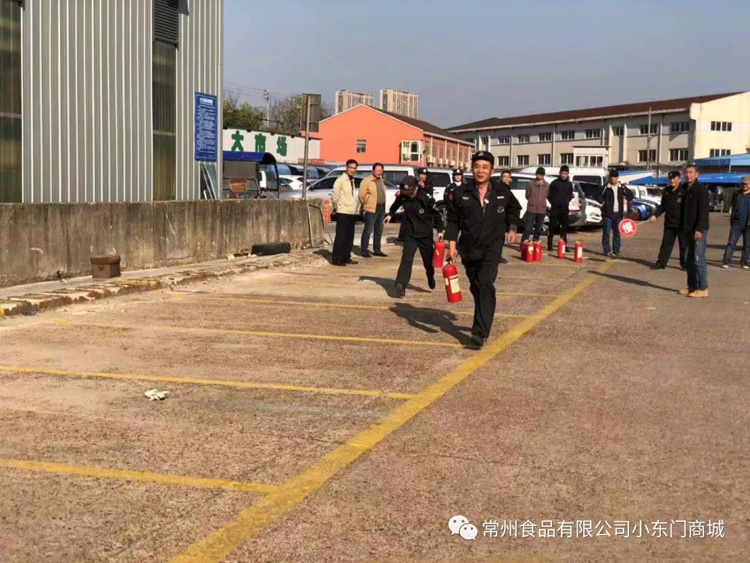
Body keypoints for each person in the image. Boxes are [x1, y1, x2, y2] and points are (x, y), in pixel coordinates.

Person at [445, 151, 522, 349]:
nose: (480, 171)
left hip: (492, 247)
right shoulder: (461, 193)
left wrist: (512, 227)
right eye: (477, 167)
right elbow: (453, 220)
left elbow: (514, 209)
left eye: (485, 167)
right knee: (476, 286)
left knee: (485, 283)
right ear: (472, 169)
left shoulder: (502, 191)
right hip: (469, 247)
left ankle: (480, 333)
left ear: (491, 170)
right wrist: (452, 246)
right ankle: (481, 320)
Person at [384, 176, 445, 297]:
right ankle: (401, 284)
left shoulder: (425, 198)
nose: (409, 194)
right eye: (407, 192)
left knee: (428, 261)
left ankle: (430, 277)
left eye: (411, 192)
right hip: (410, 233)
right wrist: (390, 214)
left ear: (416, 188)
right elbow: (396, 204)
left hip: (425, 234)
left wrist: (440, 230)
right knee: (406, 259)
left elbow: (437, 215)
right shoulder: (403, 196)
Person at [678, 164, 710, 298]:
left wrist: (699, 229)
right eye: (686, 172)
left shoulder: (701, 190)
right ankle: (692, 286)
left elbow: (703, 212)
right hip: (686, 229)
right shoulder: (684, 189)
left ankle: (703, 288)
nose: (688, 175)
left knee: (698, 258)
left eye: (691, 172)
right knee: (687, 259)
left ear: (696, 174)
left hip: (698, 229)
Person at [650, 170, 685, 270]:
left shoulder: (684, 191)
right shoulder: (666, 191)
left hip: (682, 224)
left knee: (683, 245)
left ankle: (685, 264)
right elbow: (663, 206)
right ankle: (661, 263)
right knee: (666, 244)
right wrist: (655, 215)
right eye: (670, 179)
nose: (672, 181)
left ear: (679, 179)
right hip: (669, 223)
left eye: (674, 178)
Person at [331, 159, 360, 267]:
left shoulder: (351, 180)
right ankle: (337, 258)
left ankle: (346, 256)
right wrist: (336, 207)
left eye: (354, 168)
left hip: (351, 212)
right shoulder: (341, 180)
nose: (352, 170)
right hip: (342, 211)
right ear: (346, 168)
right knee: (341, 236)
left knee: (349, 236)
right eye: (350, 167)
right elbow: (334, 196)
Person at [599, 169, 634, 257]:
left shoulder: (622, 187)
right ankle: (606, 250)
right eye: (611, 176)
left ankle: (616, 250)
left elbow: (631, 196)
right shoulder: (605, 187)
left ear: (617, 177)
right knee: (606, 233)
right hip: (608, 214)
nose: (613, 178)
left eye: (614, 176)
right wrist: (603, 203)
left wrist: (626, 200)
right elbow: (598, 196)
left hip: (618, 214)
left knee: (617, 233)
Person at [358, 163, 388, 258]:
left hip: (381, 208)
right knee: (368, 230)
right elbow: (361, 195)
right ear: (373, 170)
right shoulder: (367, 181)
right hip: (371, 208)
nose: (379, 172)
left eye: (381, 171)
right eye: (378, 170)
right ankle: (364, 250)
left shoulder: (381, 180)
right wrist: (366, 204)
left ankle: (377, 250)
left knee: (379, 230)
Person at [721, 175, 750, 269]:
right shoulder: (737, 193)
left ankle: (744, 262)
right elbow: (733, 205)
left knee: (747, 244)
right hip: (737, 222)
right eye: (743, 184)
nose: (744, 185)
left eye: (746, 184)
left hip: (748, 223)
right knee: (731, 243)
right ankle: (726, 261)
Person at [547, 165, 573, 252]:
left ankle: (563, 245)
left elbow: (570, 195)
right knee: (552, 226)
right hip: (555, 208)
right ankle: (549, 244)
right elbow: (549, 196)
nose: (563, 175)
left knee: (564, 228)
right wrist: (554, 202)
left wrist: (565, 202)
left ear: (568, 174)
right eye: (562, 173)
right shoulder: (554, 183)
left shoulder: (569, 184)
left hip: (564, 208)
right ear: (559, 173)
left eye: (565, 174)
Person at [522, 167, 549, 243]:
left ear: (543, 175)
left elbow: (547, 195)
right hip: (531, 209)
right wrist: (532, 201)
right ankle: (524, 242)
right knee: (528, 227)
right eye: (538, 174)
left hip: (542, 209)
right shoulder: (530, 183)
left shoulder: (547, 185)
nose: (539, 176)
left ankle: (536, 241)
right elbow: (527, 195)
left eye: (541, 174)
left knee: (538, 228)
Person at [496, 169, 515, 264]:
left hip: (504, 218)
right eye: (504, 177)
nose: (506, 179)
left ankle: (498, 256)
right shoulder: (498, 189)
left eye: (508, 177)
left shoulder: (508, 190)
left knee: (501, 238)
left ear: (511, 179)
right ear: (501, 178)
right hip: (496, 218)